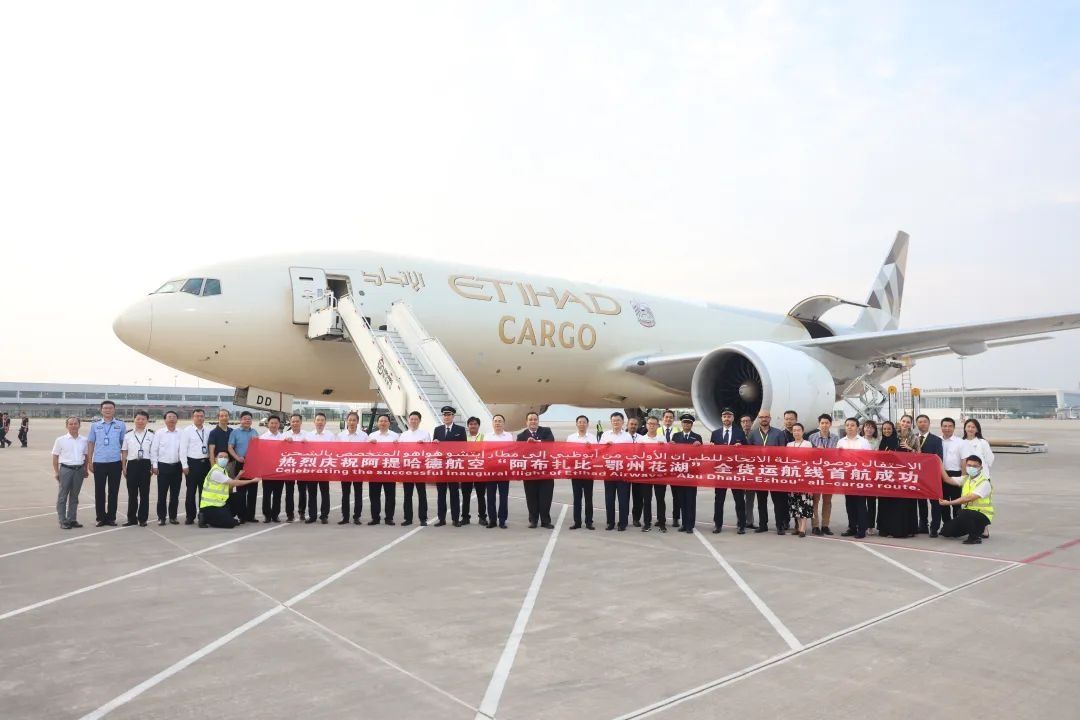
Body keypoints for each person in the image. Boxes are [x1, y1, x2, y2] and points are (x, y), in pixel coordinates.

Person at [747, 410, 789, 534]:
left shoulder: (778, 433)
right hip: (760, 472)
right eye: (761, 417)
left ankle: (780, 526)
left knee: (778, 501)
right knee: (761, 501)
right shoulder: (753, 434)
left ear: (770, 418)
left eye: (766, 417)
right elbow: (748, 453)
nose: (764, 419)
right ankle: (763, 525)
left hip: (774, 472)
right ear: (758, 419)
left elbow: (783, 452)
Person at [86, 400, 126, 527]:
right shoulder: (95, 425)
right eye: (105, 408)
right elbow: (91, 443)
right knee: (99, 491)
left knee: (113, 492)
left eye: (110, 408)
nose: (108, 410)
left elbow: (123, 445)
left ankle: (111, 518)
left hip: (115, 462)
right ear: (101, 410)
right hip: (99, 462)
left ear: (114, 410)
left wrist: (124, 463)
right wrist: (90, 461)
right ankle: (100, 518)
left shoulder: (121, 425)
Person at [939, 455, 994, 544]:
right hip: (968, 515)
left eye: (975, 466)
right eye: (969, 465)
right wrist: (940, 464)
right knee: (946, 531)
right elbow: (947, 479)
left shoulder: (984, 482)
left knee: (963, 512)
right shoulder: (966, 479)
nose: (971, 468)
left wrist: (949, 503)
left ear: (981, 468)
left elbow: (968, 498)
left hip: (983, 515)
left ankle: (975, 537)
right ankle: (977, 528)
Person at [198, 450, 260, 529]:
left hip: (220, 503)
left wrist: (238, 475)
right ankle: (204, 517)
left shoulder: (223, 471)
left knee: (239, 496)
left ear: (228, 460)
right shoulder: (216, 472)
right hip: (210, 506)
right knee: (230, 524)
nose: (223, 459)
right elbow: (234, 483)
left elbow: (230, 486)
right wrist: (252, 481)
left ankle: (230, 517)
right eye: (221, 457)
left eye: (225, 457)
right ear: (216, 459)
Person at [878, 416, 917, 538]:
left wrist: (909, 449)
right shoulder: (885, 440)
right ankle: (885, 528)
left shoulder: (909, 438)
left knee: (901, 504)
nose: (887, 431)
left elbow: (917, 456)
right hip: (886, 476)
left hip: (902, 476)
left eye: (908, 422)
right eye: (903, 421)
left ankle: (901, 529)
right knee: (886, 504)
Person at [709, 407, 746, 534]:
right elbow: (711, 454)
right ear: (721, 418)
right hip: (721, 471)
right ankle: (717, 524)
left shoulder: (740, 433)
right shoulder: (715, 433)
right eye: (724, 416)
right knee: (719, 500)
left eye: (729, 416)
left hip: (736, 471)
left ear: (733, 418)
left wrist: (741, 447)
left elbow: (748, 450)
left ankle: (741, 524)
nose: (726, 418)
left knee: (739, 499)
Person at [517, 411, 556, 529]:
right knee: (531, 498)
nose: (533, 421)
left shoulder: (546, 431)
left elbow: (551, 443)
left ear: (538, 421)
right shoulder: (521, 436)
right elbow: (518, 452)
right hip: (530, 472)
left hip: (546, 472)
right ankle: (533, 520)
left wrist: (536, 442)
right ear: (526, 422)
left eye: (535, 419)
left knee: (546, 498)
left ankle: (545, 521)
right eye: (530, 419)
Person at [958, 418, 995, 539]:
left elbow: (990, 460)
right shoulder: (961, 442)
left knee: (981, 504)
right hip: (967, 479)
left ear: (977, 429)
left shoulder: (982, 443)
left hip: (981, 478)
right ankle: (971, 528)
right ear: (965, 428)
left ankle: (984, 529)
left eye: (973, 427)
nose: (970, 429)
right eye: (968, 426)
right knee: (969, 503)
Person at [600, 411, 636, 531]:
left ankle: (623, 523)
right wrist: (606, 446)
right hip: (609, 471)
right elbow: (599, 452)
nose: (616, 422)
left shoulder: (627, 436)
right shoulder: (605, 435)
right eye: (614, 420)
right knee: (609, 498)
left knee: (623, 499)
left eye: (618, 420)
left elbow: (631, 453)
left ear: (622, 422)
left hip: (623, 471)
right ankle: (610, 522)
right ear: (611, 422)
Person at [837, 418, 873, 538]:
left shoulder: (863, 442)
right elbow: (837, 459)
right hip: (847, 476)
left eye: (852, 425)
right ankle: (852, 527)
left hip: (860, 476)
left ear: (858, 427)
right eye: (847, 425)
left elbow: (869, 459)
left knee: (860, 504)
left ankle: (862, 529)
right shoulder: (841, 442)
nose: (849, 427)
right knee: (850, 503)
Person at [51, 416, 88, 529]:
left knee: (74, 496)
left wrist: (85, 469)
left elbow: (86, 456)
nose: (73, 426)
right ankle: (63, 520)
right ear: (66, 426)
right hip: (66, 470)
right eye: (70, 424)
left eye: (75, 423)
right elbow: (55, 456)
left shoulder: (84, 440)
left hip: (79, 470)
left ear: (79, 425)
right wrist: (57, 472)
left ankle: (72, 519)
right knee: (62, 496)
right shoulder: (60, 440)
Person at [433, 405, 466, 526]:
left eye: (448, 415)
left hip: (453, 466)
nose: (446, 417)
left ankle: (455, 519)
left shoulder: (460, 430)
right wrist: (434, 443)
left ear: (453, 416)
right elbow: (434, 450)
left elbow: (463, 448)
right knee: (441, 494)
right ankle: (441, 519)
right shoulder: (438, 430)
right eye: (444, 415)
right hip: (441, 466)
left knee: (454, 494)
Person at [120, 410, 154, 527]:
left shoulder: (151, 435)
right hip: (132, 465)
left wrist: (153, 466)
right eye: (138, 419)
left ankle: (143, 519)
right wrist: (124, 466)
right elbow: (124, 452)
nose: (140, 421)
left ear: (147, 421)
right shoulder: (128, 435)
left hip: (145, 465)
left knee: (144, 494)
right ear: (134, 420)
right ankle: (131, 518)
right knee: (132, 494)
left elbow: (153, 452)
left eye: (143, 419)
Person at [397, 411, 431, 526]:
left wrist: (424, 445)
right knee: (407, 494)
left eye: (416, 419)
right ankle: (408, 518)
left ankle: (423, 518)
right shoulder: (403, 435)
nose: (413, 421)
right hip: (407, 468)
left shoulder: (425, 434)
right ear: (408, 420)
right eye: (411, 419)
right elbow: (400, 451)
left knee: (422, 494)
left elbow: (429, 451)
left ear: (419, 421)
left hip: (420, 468)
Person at [671, 414, 703, 533]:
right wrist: (670, 446)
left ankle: (690, 525)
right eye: (684, 422)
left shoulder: (697, 437)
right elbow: (672, 453)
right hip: (680, 473)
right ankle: (684, 524)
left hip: (692, 474)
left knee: (690, 500)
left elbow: (701, 455)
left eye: (688, 423)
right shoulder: (676, 436)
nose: (686, 424)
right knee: (682, 500)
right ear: (682, 424)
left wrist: (699, 446)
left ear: (692, 424)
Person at [151, 410, 184, 525]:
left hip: (177, 467)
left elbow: (183, 450)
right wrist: (155, 465)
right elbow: (154, 450)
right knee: (162, 494)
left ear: (177, 420)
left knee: (175, 494)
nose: (172, 419)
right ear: (165, 419)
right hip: (163, 467)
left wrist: (184, 465)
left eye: (174, 417)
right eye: (169, 417)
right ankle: (161, 517)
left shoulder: (181, 433)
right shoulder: (159, 433)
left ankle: (173, 517)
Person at [913, 414, 944, 535]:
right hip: (917, 476)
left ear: (929, 423)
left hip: (931, 476)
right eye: (920, 422)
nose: (922, 424)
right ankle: (923, 525)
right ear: (917, 424)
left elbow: (939, 458)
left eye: (925, 421)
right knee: (921, 502)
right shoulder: (912, 438)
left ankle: (934, 527)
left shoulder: (936, 440)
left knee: (935, 502)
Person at [635, 415, 667, 532]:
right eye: (650, 424)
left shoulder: (662, 438)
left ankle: (661, 523)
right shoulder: (641, 439)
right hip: (646, 473)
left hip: (659, 473)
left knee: (660, 499)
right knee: (647, 499)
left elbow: (667, 455)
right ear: (646, 425)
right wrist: (639, 448)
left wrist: (663, 447)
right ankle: (647, 523)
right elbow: (636, 456)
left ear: (658, 426)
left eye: (654, 424)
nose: (652, 426)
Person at [227, 411, 261, 523]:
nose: (247, 420)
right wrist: (237, 458)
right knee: (241, 491)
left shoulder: (255, 432)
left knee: (253, 491)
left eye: (249, 419)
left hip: (253, 464)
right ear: (240, 420)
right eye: (245, 418)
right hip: (240, 463)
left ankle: (251, 516)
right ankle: (242, 516)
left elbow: (259, 447)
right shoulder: (235, 432)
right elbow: (230, 447)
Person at [180, 408, 210, 526]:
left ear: (204, 417)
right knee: (191, 492)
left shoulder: (208, 430)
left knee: (204, 492)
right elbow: (183, 449)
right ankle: (190, 516)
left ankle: (203, 517)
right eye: (197, 416)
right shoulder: (187, 431)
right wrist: (184, 465)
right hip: (192, 464)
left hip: (205, 464)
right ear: (193, 417)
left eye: (201, 416)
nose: (199, 418)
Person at [367, 413, 399, 524]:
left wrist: (398, 445)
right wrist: (369, 444)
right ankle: (375, 518)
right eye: (381, 421)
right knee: (374, 495)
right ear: (377, 423)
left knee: (390, 495)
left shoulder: (395, 436)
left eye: (385, 421)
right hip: (375, 469)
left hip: (389, 469)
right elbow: (365, 452)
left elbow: (400, 452)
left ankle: (389, 518)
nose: (383, 423)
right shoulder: (372, 435)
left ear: (389, 423)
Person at [304, 412, 336, 524]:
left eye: (322, 420)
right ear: (314, 422)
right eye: (318, 420)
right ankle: (312, 516)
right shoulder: (308, 435)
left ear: (325, 422)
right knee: (312, 493)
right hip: (311, 468)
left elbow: (334, 451)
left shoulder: (330, 436)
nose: (320, 422)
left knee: (324, 493)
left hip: (324, 468)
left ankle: (324, 515)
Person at [337, 411, 368, 525]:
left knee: (358, 493)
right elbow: (336, 451)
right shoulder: (340, 436)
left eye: (354, 420)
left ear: (358, 422)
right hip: (345, 469)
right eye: (350, 420)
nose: (352, 422)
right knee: (345, 494)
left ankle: (357, 517)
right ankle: (345, 517)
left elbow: (367, 451)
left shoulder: (364, 436)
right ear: (346, 421)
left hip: (358, 469)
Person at [485, 414, 516, 528]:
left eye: (500, 421)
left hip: (504, 471)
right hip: (491, 471)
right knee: (490, 497)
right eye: (495, 421)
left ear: (503, 423)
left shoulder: (508, 436)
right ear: (492, 423)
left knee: (503, 497)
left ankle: (502, 520)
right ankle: (492, 520)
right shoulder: (487, 436)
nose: (497, 423)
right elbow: (484, 452)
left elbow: (512, 452)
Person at [566, 414, 596, 530]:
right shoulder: (571, 438)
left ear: (587, 424)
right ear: (576, 424)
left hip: (588, 471)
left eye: (584, 422)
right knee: (577, 498)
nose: (582, 424)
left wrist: (591, 448)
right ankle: (577, 522)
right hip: (576, 472)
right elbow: (568, 454)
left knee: (589, 498)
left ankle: (589, 522)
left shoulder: (592, 438)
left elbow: (597, 454)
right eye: (580, 422)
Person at [810, 414, 838, 536]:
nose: (824, 425)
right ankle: (815, 526)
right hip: (816, 473)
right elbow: (808, 455)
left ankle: (825, 525)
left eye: (827, 423)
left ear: (830, 424)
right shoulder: (812, 437)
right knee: (815, 501)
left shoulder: (836, 438)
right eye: (822, 423)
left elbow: (838, 455)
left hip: (829, 473)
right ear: (819, 424)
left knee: (827, 501)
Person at [786, 423, 813, 537]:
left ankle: (803, 528)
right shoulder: (789, 445)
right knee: (794, 503)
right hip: (793, 477)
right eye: (794, 430)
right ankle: (798, 526)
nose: (796, 432)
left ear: (803, 431)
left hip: (804, 477)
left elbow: (810, 461)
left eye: (798, 430)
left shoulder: (807, 444)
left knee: (804, 502)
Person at [938, 417, 964, 530]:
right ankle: (947, 526)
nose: (947, 428)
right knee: (943, 503)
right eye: (945, 426)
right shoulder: (937, 440)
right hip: (939, 474)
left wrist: (963, 477)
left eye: (950, 426)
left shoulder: (960, 442)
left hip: (955, 474)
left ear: (954, 428)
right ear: (941, 427)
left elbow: (964, 460)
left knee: (956, 503)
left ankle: (957, 527)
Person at [258, 415, 286, 522]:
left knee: (277, 494)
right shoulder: (262, 437)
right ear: (268, 424)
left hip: (279, 470)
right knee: (267, 494)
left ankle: (275, 515)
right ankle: (267, 515)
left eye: (276, 423)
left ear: (279, 425)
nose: (274, 425)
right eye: (272, 423)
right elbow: (259, 454)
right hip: (267, 470)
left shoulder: (283, 437)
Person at [460, 416, 487, 526]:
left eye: (475, 424)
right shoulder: (463, 438)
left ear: (478, 426)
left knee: (481, 495)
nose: (473, 426)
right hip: (466, 471)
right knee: (466, 495)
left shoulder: (484, 437)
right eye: (471, 424)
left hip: (479, 470)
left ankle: (482, 517)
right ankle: (465, 517)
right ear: (468, 426)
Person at [739, 413, 763, 529]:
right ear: (740, 423)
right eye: (743, 421)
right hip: (739, 472)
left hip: (752, 472)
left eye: (748, 421)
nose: (746, 423)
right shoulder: (736, 435)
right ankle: (740, 521)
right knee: (739, 499)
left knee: (750, 499)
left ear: (752, 422)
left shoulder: (757, 435)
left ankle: (749, 521)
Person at [283, 413, 308, 522]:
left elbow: (313, 449)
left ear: (301, 422)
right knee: (289, 492)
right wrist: (284, 442)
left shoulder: (307, 435)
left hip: (302, 466)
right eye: (293, 421)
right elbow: (278, 448)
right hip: (289, 466)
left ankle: (302, 512)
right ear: (290, 422)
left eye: (297, 421)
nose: (295, 423)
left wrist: (308, 443)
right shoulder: (285, 435)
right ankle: (290, 514)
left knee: (302, 491)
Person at [861, 420, 880, 534]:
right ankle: (862, 524)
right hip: (859, 474)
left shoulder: (877, 442)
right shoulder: (858, 440)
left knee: (871, 502)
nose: (869, 429)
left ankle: (871, 526)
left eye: (871, 427)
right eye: (867, 427)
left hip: (872, 475)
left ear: (874, 430)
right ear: (863, 428)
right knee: (861, 502)